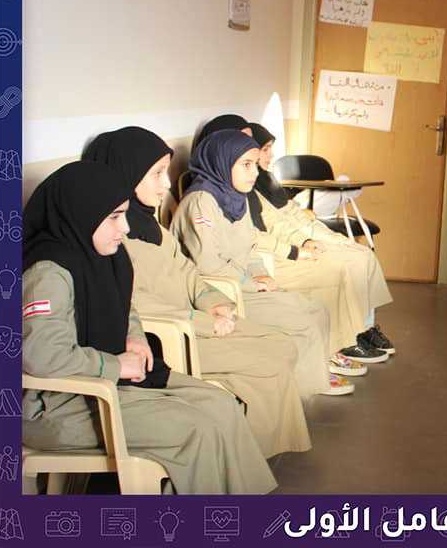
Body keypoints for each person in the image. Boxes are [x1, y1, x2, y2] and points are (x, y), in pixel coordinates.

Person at [22, 162, 276, 494]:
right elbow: (42, 355)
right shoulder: (48, 272)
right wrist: (116, 365)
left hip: (106, 383)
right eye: (115, 217)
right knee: (196, 428)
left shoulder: (102, 255)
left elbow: (124, 306)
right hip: (58, 406)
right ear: (81, 212)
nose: (125, 227)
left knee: (221, 404)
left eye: (124, 215)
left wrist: (134, 337)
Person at [84, 127, 312, 457]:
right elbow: (137, 305)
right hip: (170, 340)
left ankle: (252, 445)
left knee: (282, 344)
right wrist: (205, 322)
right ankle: (250, 456)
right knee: (269, 361)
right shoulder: (114, 238)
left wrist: (214, 302)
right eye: (157, 174)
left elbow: (188, 271)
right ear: (126, 174)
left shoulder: (151, 225)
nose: (167, 184)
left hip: (196, 322)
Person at [171, 130, 352, 398]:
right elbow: (208, 266)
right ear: (222, 162)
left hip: (244, 284)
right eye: (246, 165)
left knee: (316, 310)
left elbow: (250, 246)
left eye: (255, 164)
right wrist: (252, 284)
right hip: (223, 293)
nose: (255, 173)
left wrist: (262, 275)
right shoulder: (200, 202)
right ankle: (304, 389)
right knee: (302, 321)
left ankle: (311, 379)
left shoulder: (236, 197)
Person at [248, 122, 396, 359]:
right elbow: (272, 229)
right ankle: (348, 336)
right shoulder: (241, 189)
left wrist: (332, 238)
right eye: (264, 149)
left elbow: (292, 216)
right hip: (276, 256)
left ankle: (363, 327)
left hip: (294, 243)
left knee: (361, 253)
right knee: (346, 265)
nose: (270, 155)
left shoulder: (265, 181)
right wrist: (301, 245)